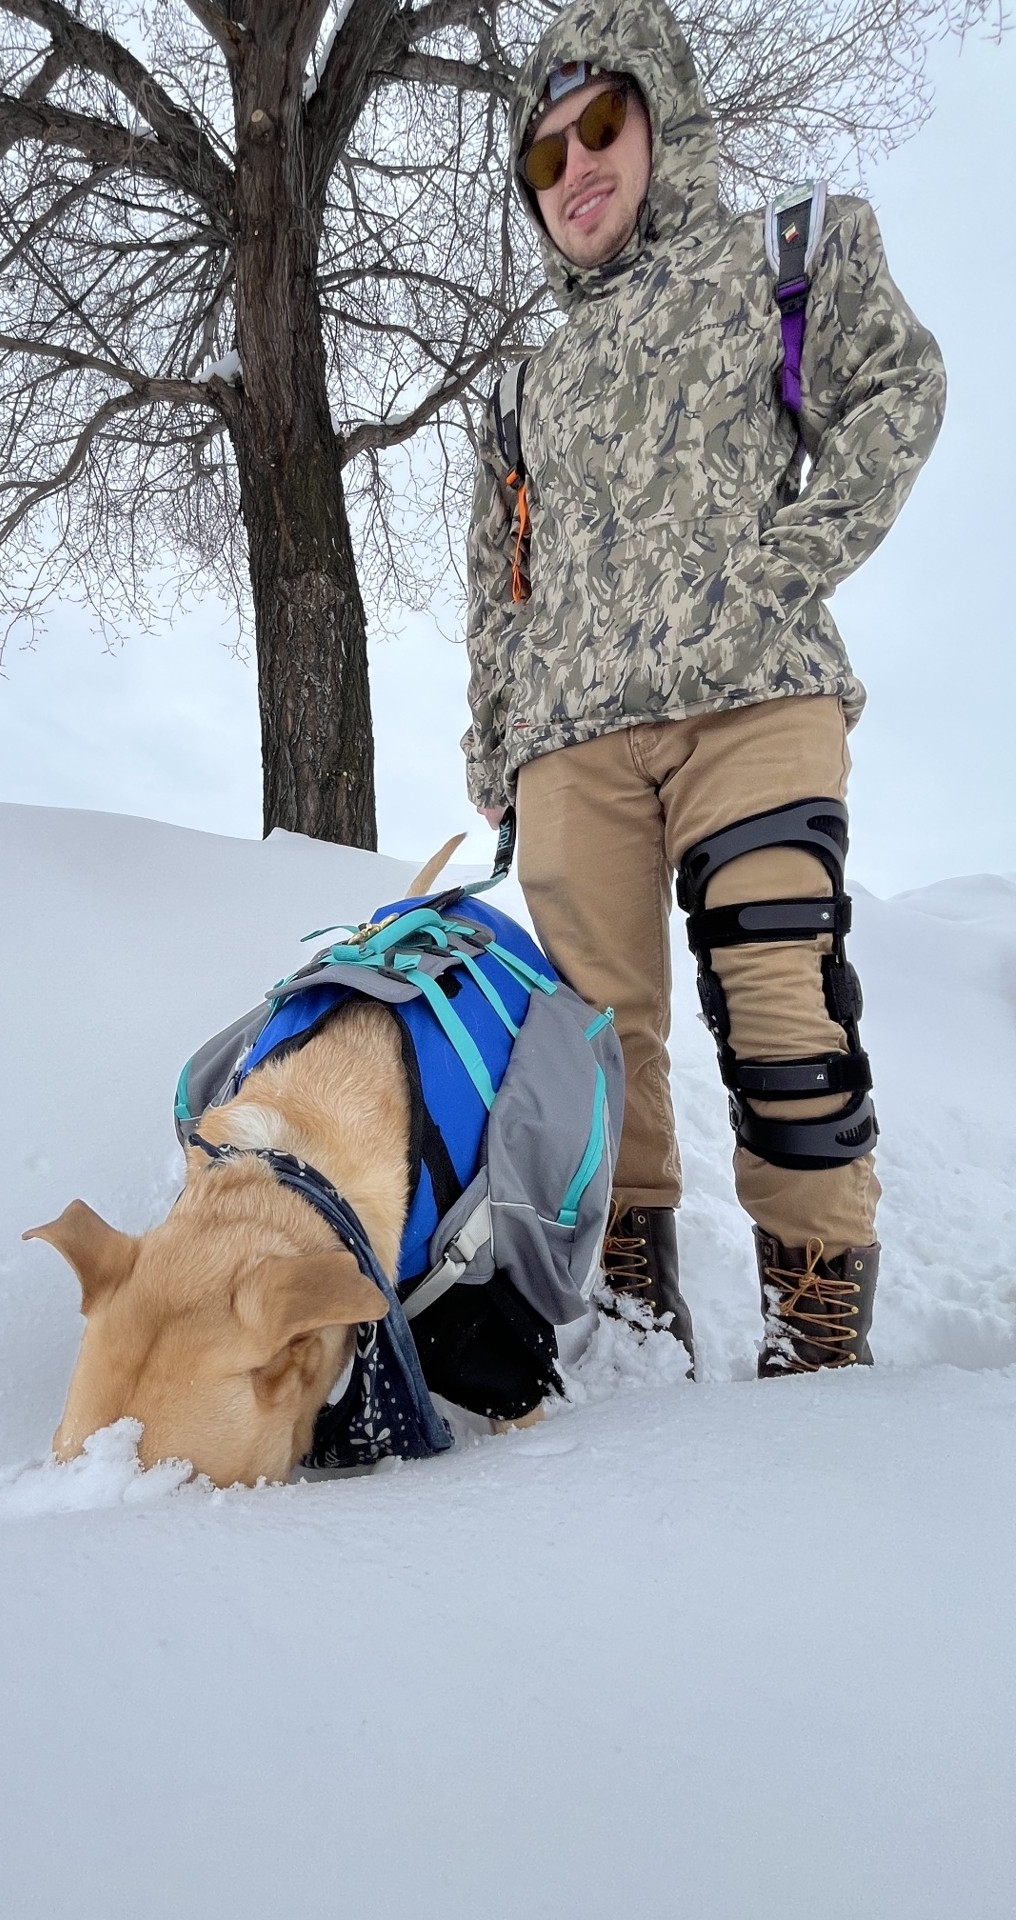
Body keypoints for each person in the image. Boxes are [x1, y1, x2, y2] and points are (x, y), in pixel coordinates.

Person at [462, 0, 945, 1374]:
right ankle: (630, 1315)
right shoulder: (524, 387)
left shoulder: (778, 256)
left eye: (601, 125)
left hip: (754, 701)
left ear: (661, 116)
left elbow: (898, 386)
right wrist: (496, 741)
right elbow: (499, 577)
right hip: (574, 741)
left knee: (777, 988)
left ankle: (816, 1320)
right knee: (595, 1042)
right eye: (545, 156)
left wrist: (783, 567)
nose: (577, 168)